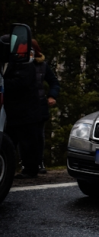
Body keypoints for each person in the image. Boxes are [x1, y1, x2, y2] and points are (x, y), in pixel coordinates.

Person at [3, 38, 42, 179]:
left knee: (28, 142)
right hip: (13, 110)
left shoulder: (24, 63)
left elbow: (21, 82)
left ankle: (30, 170)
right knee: (10, 141)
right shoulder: (10, 62)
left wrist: (3, 83)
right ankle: (8, 169)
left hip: (26, 110)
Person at [31, 39, 60, 174]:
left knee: (38, 135)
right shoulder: (16, 64)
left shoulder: (42, 65)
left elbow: (54, 82)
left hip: (39, 104)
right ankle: (25, 163)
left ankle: (38, 161)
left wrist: (52, 96)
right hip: (21, 104)